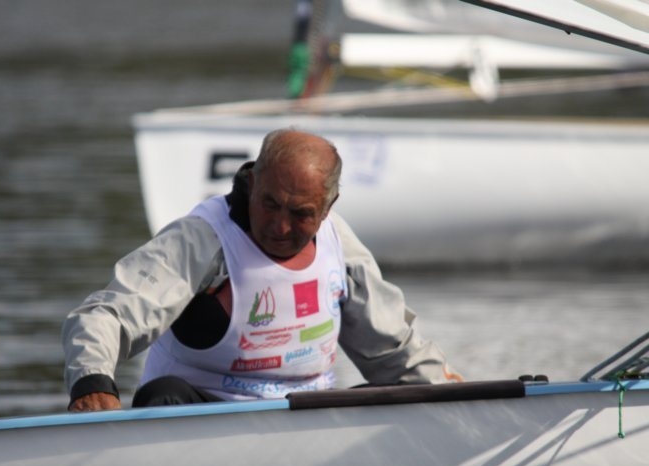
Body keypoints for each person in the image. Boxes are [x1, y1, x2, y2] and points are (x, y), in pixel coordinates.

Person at [63, 128, 461, 411]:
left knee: (398, 399)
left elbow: (394, 351)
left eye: (300, 213)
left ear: (329, 207)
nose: (280, 227)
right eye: (270, 204)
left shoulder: (340, 245)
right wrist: (92, 382)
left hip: (305, 419)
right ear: (252, 183)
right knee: (163, 394)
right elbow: (106, 315)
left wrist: (461, 397)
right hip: (200, 417)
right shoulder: (201, 239)